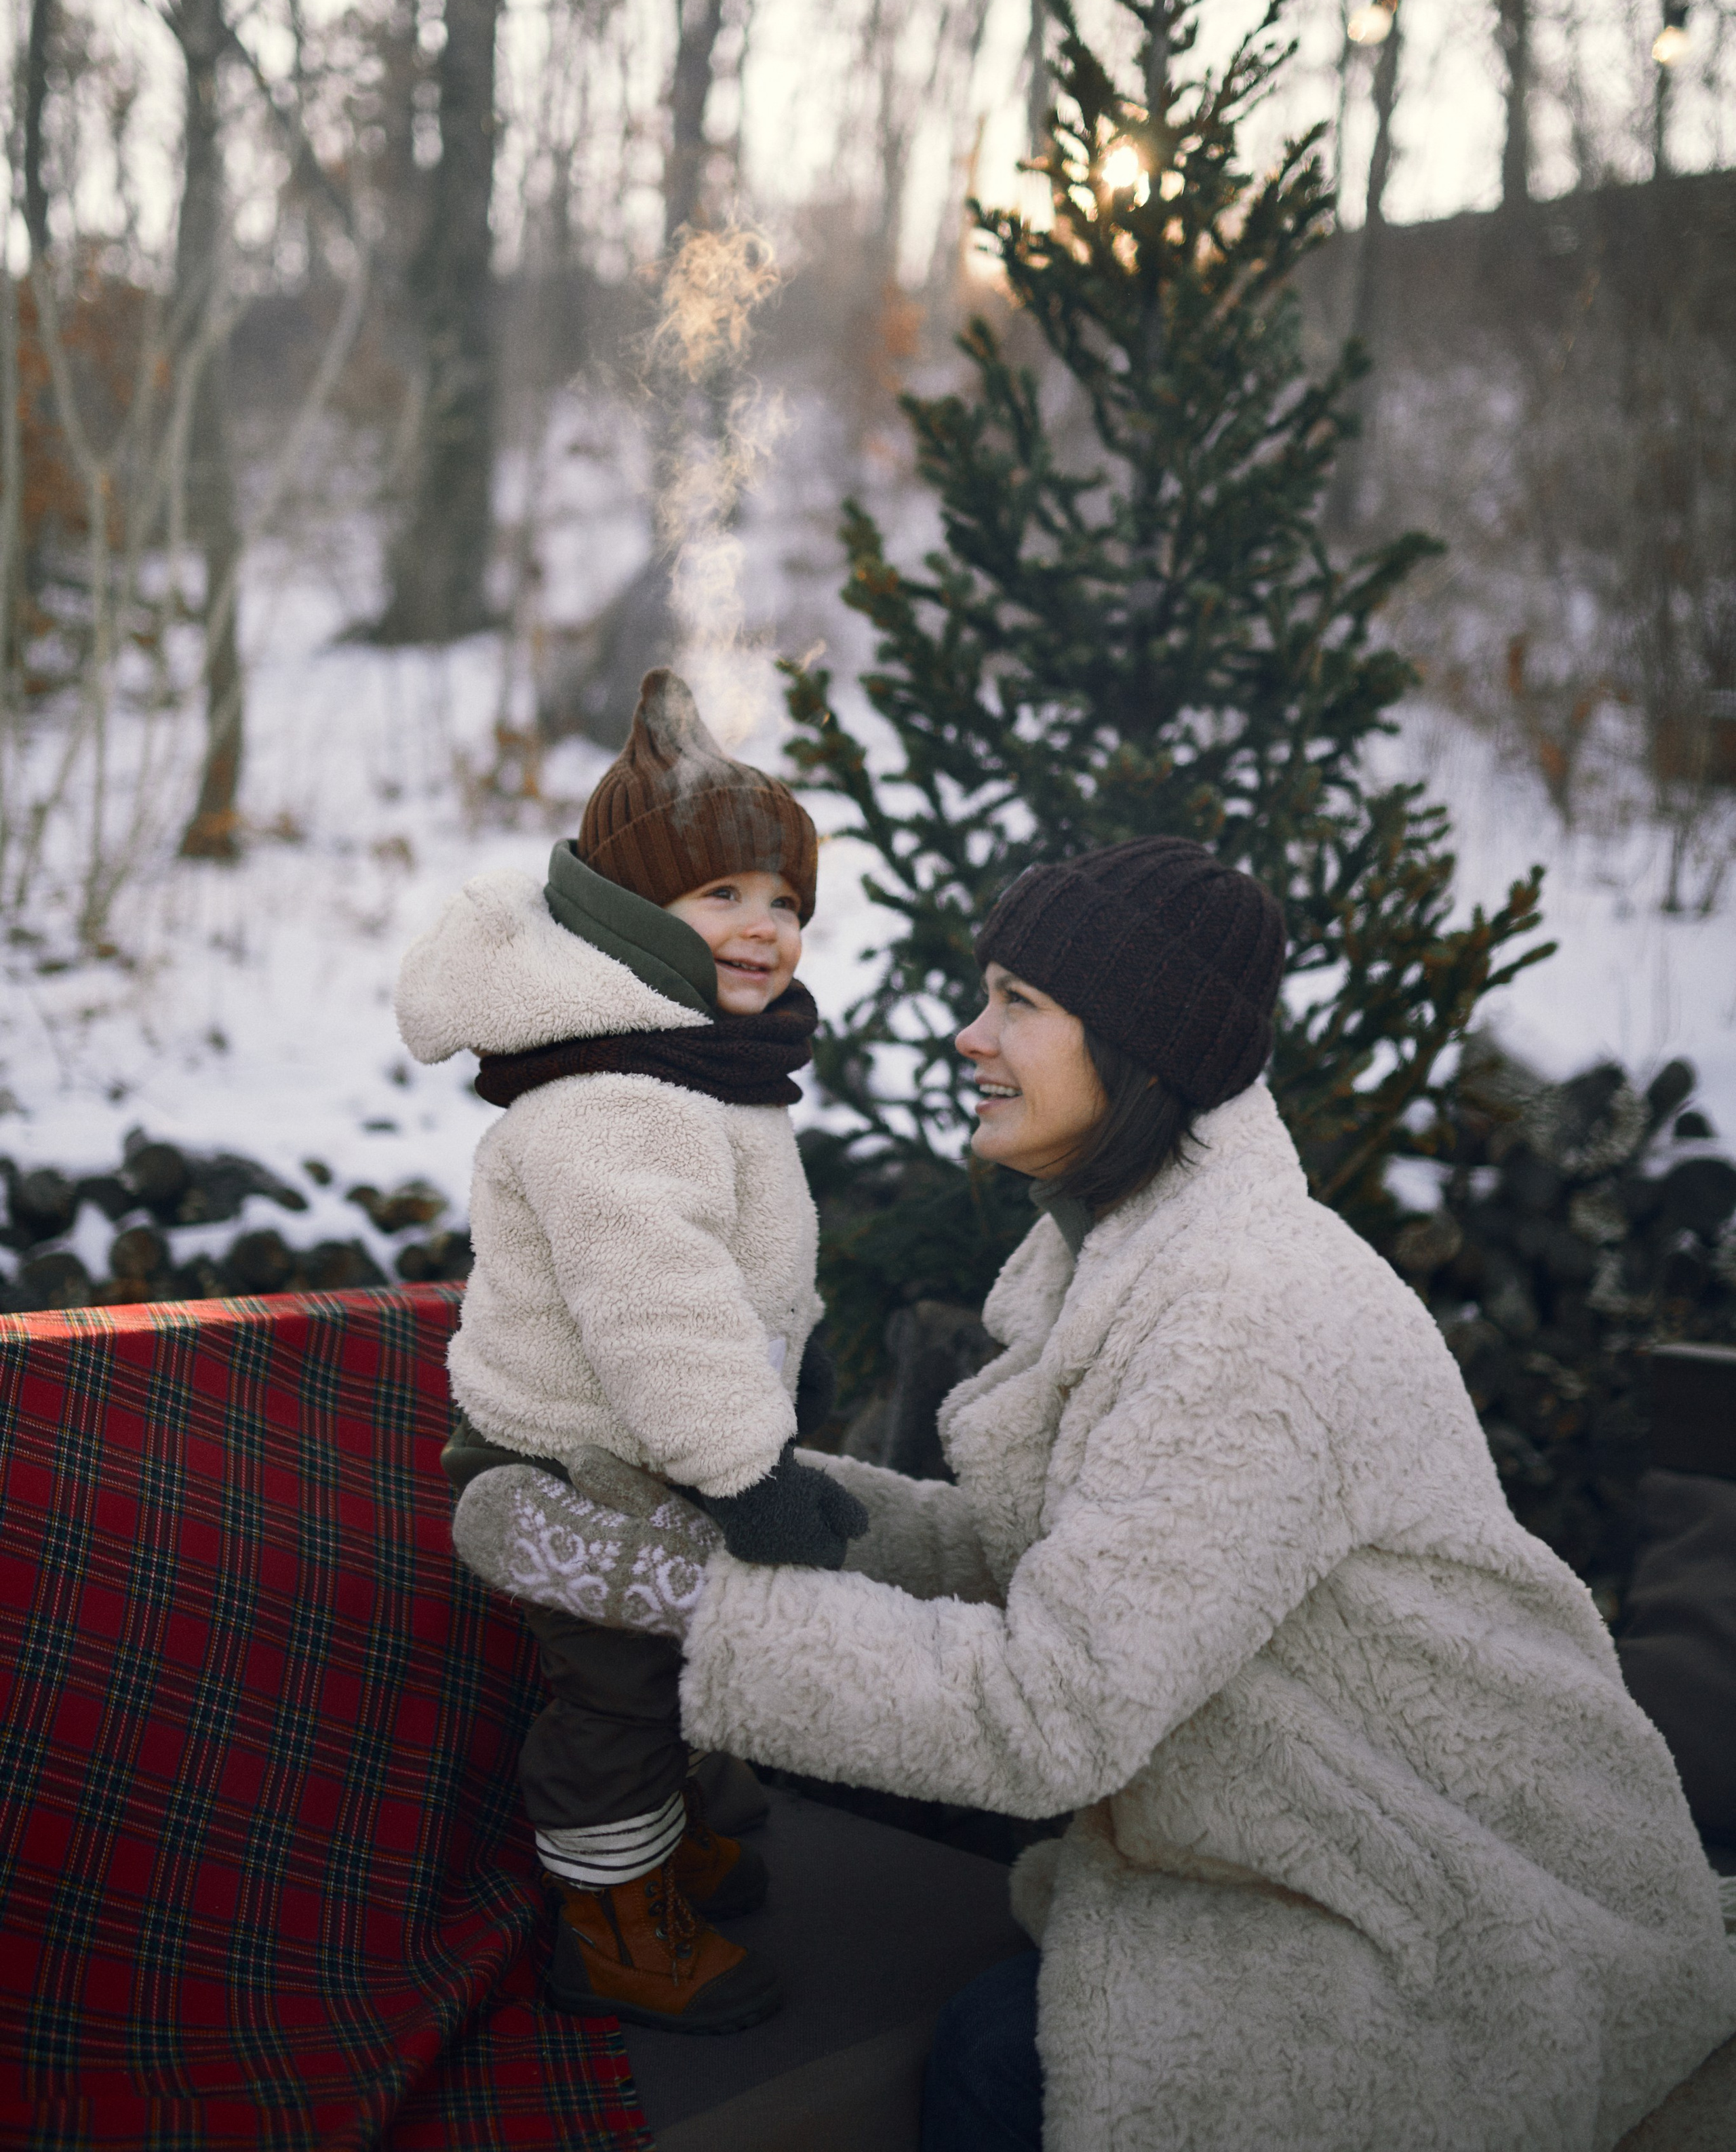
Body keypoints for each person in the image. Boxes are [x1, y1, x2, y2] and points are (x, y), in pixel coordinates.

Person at [451, 836, 1736, 2150]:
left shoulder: (1243, 1316)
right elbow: (1048, 1558)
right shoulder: (1132, 1245)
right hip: (1337, 1834)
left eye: (1017, 1002)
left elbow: (1048, 1709)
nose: (968, 1035)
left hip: (1448, 1896)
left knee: (999, 2065)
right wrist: (759, 1497)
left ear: (1139, 1045)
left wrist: (687, 1597)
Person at [393, 668, 863, 2037]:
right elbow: (654, 1310)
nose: (765, 928)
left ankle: (660, 1842)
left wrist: (784, 1375)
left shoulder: (694, 1061)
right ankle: (610, 1925)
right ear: (625, 912)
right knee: (616, 1688)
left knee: (675, 1665)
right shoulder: (612, 1093)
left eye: (784, 903)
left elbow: (730, 1270)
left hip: (652, 1441)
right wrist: (747, 1467)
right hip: (572, 1469)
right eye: (722, 896)